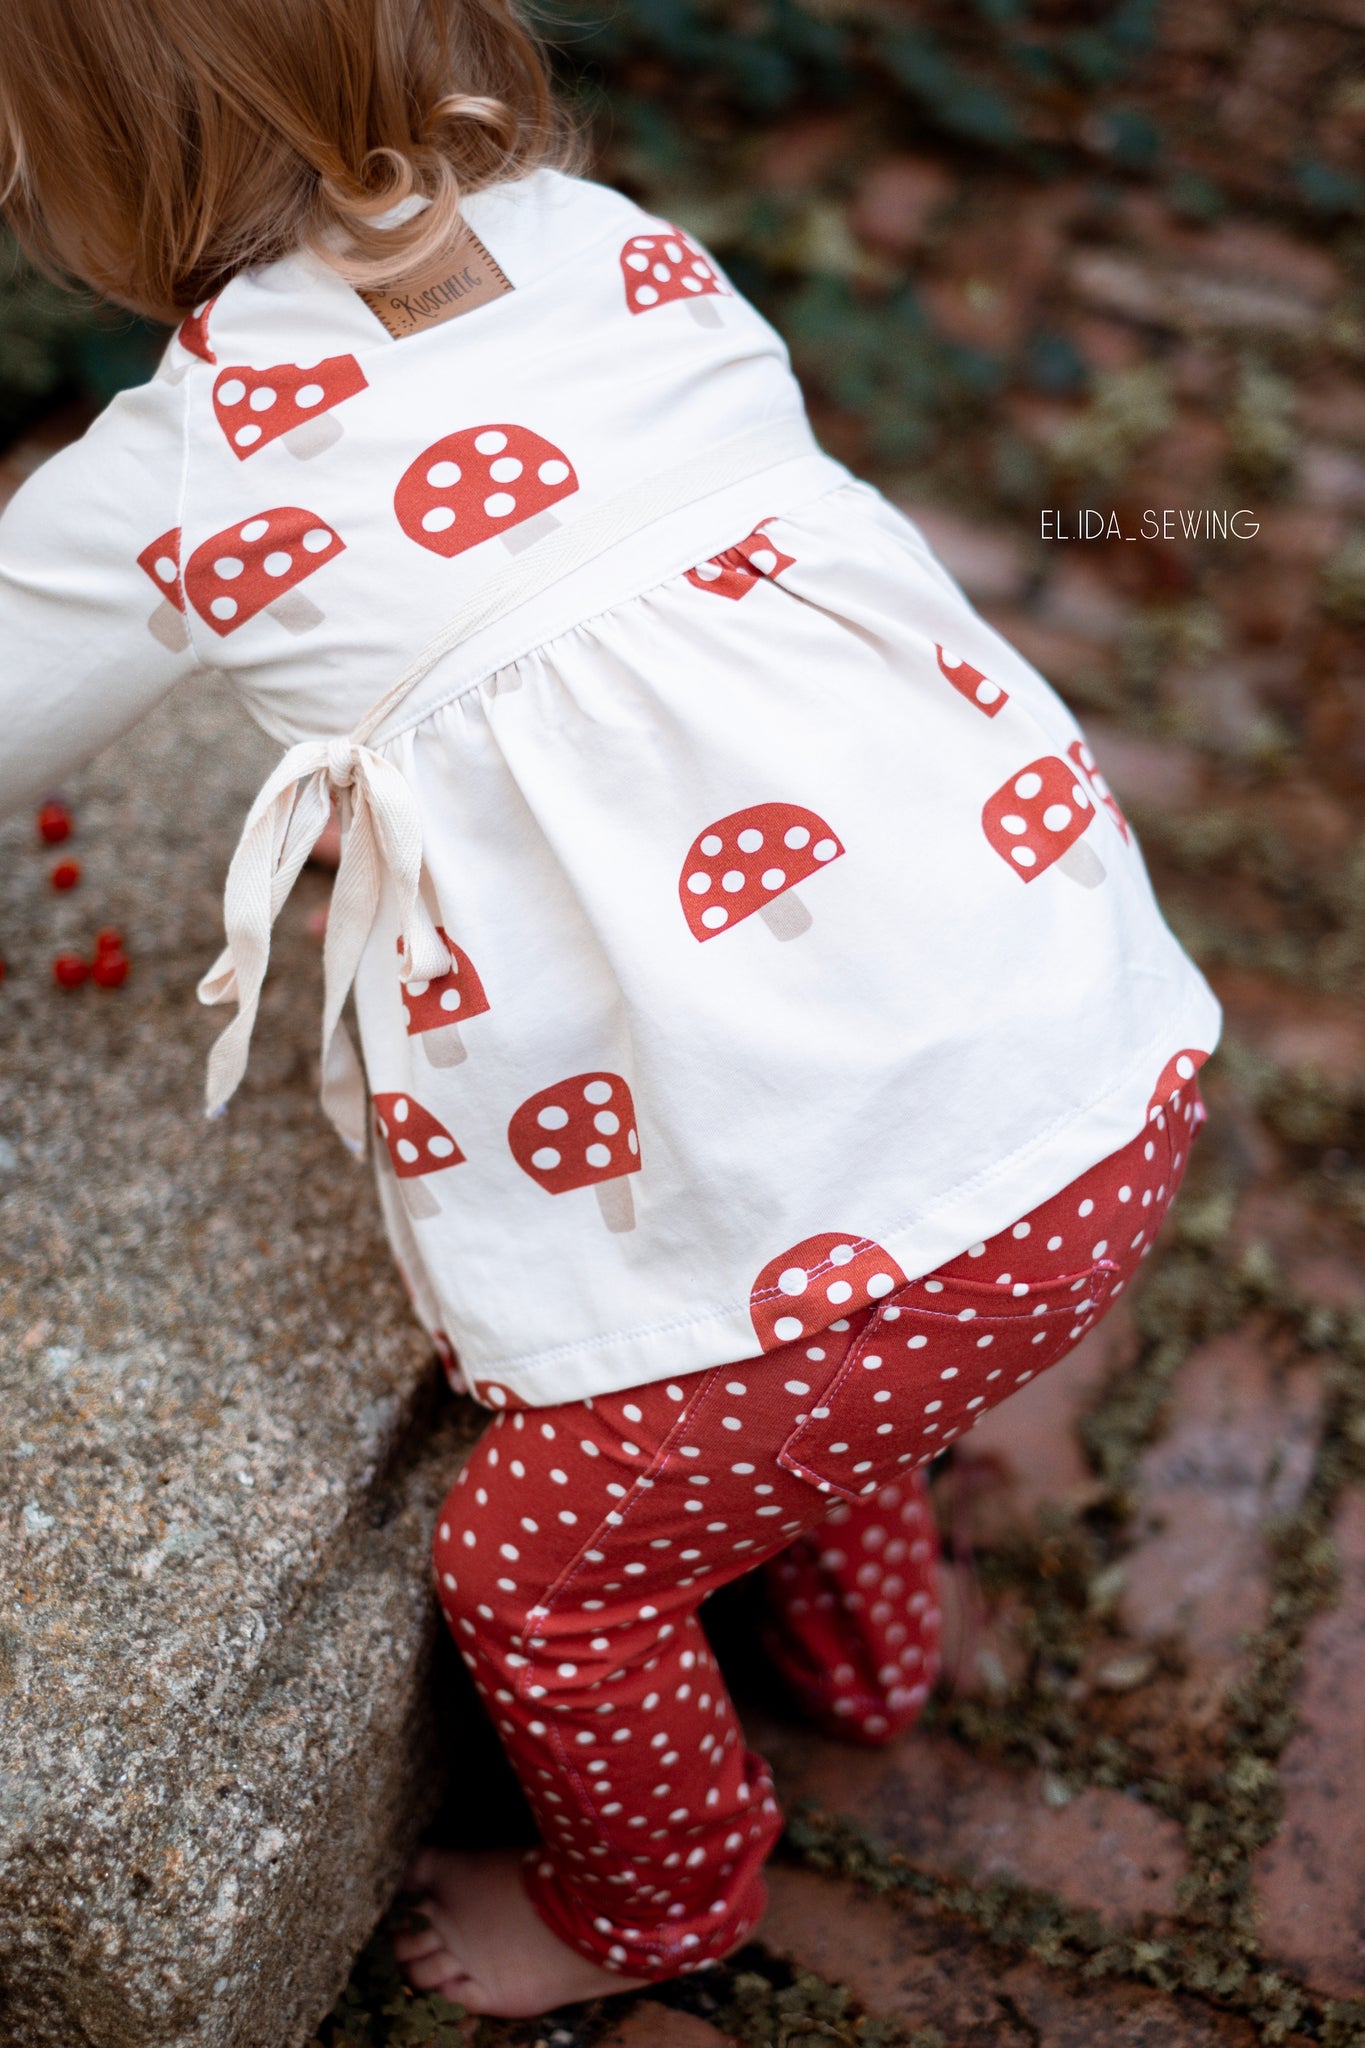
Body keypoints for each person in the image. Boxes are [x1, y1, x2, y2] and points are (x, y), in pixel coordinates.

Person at [0, 0, 1220, 2018]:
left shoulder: (177, 473)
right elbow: (633, 632)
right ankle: (863, 1659)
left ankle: (648, 1902)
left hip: (880, 1234)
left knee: (541, 1571)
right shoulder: (614, 243)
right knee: (811, 1284)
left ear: (86, 170)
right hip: (1092, 1069)